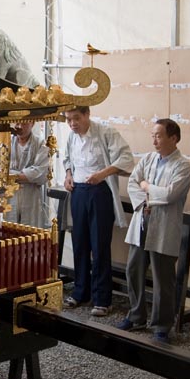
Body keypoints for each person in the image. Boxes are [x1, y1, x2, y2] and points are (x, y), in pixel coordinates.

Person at [117, 119, 190, 343]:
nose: (154, 140)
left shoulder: (183, 165)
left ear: (174, 138)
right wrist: (144, 201)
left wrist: (147, 187)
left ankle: (162, 324)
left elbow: (171, 194)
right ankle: (137, 314)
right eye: (153, 135)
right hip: (142, 219)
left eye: (159, 136)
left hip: (164, 226)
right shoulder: (149, 159)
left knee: (162, 277)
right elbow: (133, 181)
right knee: (134, 269)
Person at [61, 107, 134, 317]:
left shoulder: (105, 132)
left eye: (76, 118)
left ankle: (103, 299)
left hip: (100, 191)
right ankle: (80, 292)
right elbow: (67, 159)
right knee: (79, 242)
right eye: (68, 120)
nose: (73, 123)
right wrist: (68, 175)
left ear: (87, 115)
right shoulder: (71, 137)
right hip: (78, 191)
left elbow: (126, 158)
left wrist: (102, 174)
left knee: (99, 245)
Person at [7, 122, 49, 228]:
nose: (20, 127)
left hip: (31, 196)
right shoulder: (6, 142)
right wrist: (26, 175)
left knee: (30, 236)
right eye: (17, 123)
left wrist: (12, 175)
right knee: (9, 234)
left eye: (24, 123)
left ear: (32, 123)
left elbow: (41, 174)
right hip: (10, 196)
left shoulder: (41, 143)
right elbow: (0, 172)